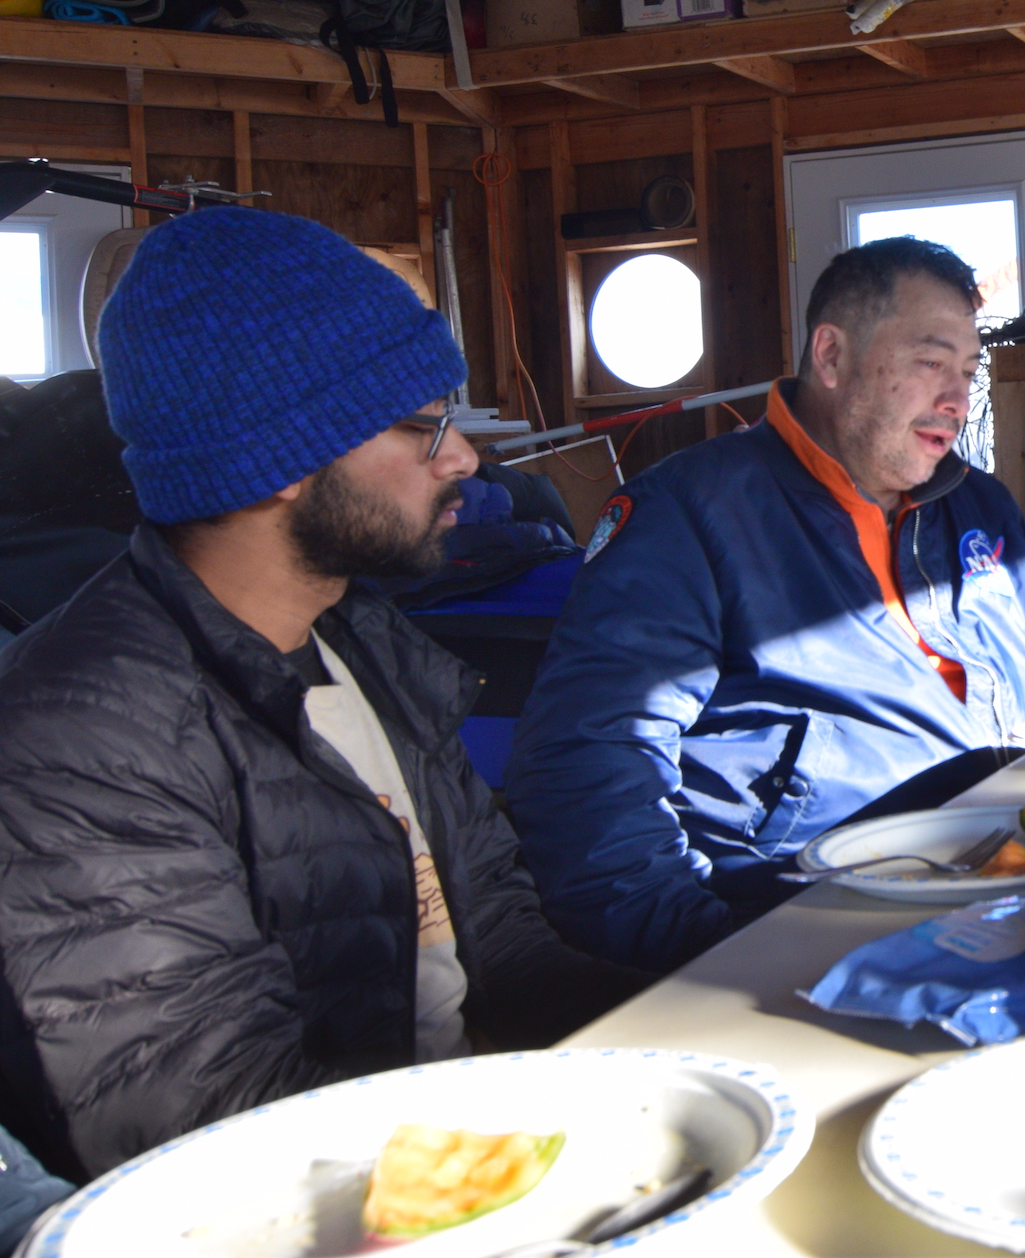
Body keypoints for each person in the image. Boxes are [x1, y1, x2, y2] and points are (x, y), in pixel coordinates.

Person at [0, 208, 642, 1181]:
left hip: (477, 1143)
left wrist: (704, 1051)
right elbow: (220, 1134)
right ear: (279, 463)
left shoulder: (361, 641)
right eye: (424, 427)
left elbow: (504, 949)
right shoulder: (82, 741)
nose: (464, 458)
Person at [507, 237, 1025, 972]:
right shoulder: (689, 515)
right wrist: (706, 959)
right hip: (816, 925)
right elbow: (585, 767)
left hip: (1019, 888)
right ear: (831, 358)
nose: (959, 402)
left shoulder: (975, 503)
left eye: (968, 372)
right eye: (931, 364)